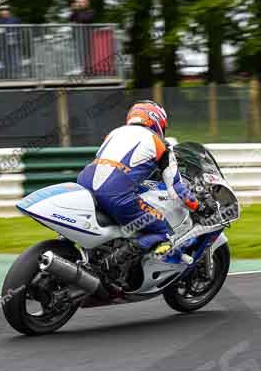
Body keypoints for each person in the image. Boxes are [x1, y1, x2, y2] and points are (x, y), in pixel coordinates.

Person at [77, 100, 209, 258]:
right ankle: (118, 260)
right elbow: (176, 190)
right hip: (115, 194)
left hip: (84, 185)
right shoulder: (160, 144)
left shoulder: (114, 134)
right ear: (157, 121)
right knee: (164, 232)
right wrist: (200, 207)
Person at [0, 5, 22, 76]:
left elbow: (19, 30)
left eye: (5, 10)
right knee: (4, 59)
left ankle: (16, 74)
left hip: (14, 42)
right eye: (1, 11)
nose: (3, 12)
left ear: (9, 11)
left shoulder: (15, 20)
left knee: (15, 58)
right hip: (3, 43)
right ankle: (5, 74)